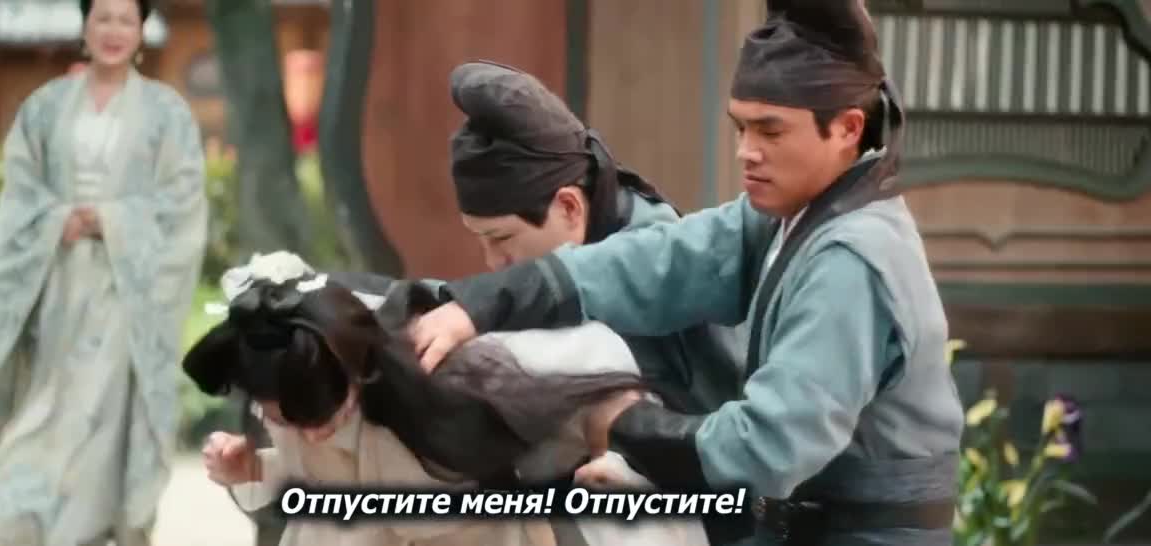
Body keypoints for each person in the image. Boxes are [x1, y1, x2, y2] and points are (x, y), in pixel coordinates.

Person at [407, 1, 965, 545]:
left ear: (846, 128)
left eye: (770, 132)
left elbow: (767, 448)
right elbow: (653, 263)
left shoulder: (852, 258)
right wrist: (481, 303)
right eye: (741, 129)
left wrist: (623, 426)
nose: (746, 152)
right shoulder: (783, 215)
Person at [186, 254, 708, 546]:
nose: (310, 433)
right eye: (282, 417)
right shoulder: (299, 385)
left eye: (316, 418)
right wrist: (255, 468)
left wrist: (610, 455)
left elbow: (596, 371)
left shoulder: (439, 397)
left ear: (355, 375)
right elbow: (324, 474)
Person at [0, 0, 209, 544]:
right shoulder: (45, 107)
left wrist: (110, 219)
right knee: (44, 410)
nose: (113, 31)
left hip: (126, 294)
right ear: (85, 26)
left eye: (125, 20)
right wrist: (54, 219)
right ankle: (8, 526)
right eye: (102, 18)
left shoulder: (167, 113)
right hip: (55, 285)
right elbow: (20, 195)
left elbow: (182, 203)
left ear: (141, 31)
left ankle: (79, 529)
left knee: (97, 412)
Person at [338, 60, 743, 416]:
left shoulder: (654, 257)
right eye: (481, 240)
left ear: (569, 207)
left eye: (501, 237)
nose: (493, 262)